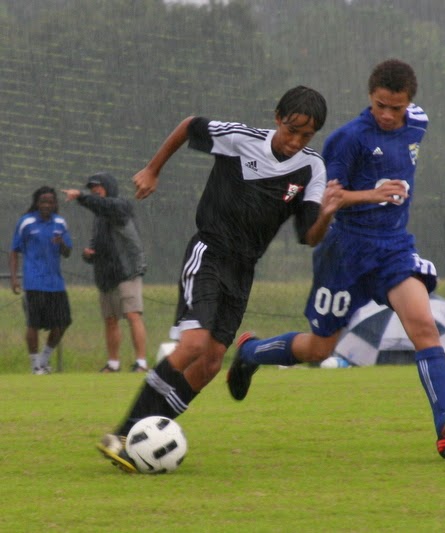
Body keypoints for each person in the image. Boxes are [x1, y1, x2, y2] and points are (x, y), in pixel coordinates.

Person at [227, 59, 445, 460]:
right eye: (380, 105)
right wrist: (371, 194)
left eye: (396, 107)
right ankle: (250, 353)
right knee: (319, 349)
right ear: (370, 96)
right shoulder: (348, 140)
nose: (387, 114)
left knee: (424, 328)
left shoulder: (418, 123)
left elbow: (411, 135)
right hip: (345, 252)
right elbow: (327, 199)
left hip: (393, 249)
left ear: (409, 104)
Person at [95, 85, 340, 473]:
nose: (296, 141)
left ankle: (150, 435)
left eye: (306, 136)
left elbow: (309, 236)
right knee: (193, 343)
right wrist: (152, 169)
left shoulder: (312, 168)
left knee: (209, 365)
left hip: (243, 270)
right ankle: (124, 435)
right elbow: (190, 124)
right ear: (278, 117)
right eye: (292, 130)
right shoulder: (240, 139)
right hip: (209, 252)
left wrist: (326, 213)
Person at [64, 173, 149, 373]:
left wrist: (81, 196)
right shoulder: (99, 217)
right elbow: (97, 244)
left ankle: (141, 363)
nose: (95, 190)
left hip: (127, 271)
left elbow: (106, 206)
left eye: (98, 187)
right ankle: (113, 364)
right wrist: (89, 255)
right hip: (106, 276)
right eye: (92, 188)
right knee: (110, 320)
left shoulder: (120, 206)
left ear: (109, 187)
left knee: (132, 315)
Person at [9, 186, 73, 374]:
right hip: (34, 281)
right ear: (37, 203)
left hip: (55, 283)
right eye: (43, 201)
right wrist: (14, 278)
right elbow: (14, 251)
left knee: (63, 323)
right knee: (33, 324)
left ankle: (45, 359)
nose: (46, 205)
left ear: (55, 204)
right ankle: (35, 365)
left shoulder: (60, 223)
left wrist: (61, 243)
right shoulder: (26, 222)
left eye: (50, 202)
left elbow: (68, 252)